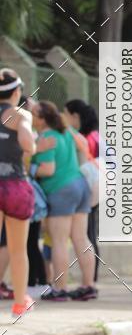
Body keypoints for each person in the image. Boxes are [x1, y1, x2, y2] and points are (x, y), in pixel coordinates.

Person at [30, 101, 96, 301]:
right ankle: (88, 286)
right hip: (80, 186)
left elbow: (48, 169)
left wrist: (29, 169)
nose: (29, 117)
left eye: (33, 114)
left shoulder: (47, 137)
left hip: (61, 190)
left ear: (41, 119)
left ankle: (60, 289)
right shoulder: (65, 131)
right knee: (81, 239)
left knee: (59, 241)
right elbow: (83, 144)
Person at [0, 69, 36, 315]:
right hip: (14, 187)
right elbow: (27, 145)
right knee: (17, 249)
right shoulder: (19, 114)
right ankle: (20, 302)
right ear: (16, 91)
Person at [64, 99, 100, 282]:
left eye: (66, 114)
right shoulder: (96, 135)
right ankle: (91, 278)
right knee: (90, 233)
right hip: (98, 187)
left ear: (75, 116)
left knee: (87, 234)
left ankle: (90, 278)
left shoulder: (86, 138)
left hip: (88, 186)